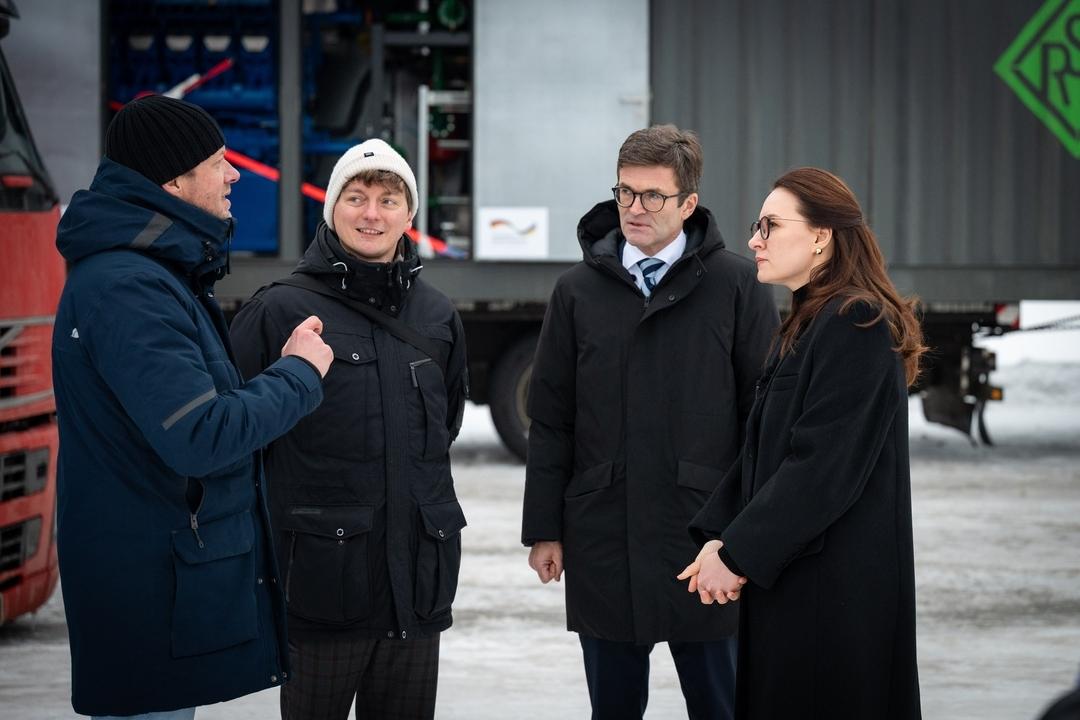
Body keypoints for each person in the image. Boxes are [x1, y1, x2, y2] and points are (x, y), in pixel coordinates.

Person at [52, 95, 334, 719]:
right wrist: (299, 374)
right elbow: (200, 434)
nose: (234, 174)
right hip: (144, 594)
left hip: (150, 586)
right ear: (174, 180)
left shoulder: (148, 273)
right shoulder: (131, 286)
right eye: (218, 161)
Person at [521, 124, 779, 719]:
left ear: (688, 204)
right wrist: (545, 528)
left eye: (653, 196)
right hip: (604, 536)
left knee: (721, 708)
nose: (635, 209)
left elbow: (760, 417)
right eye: (625, 193)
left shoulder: (738, 286)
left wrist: (748, 537)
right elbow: (552, 419)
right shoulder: (576, 292)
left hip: (706, 542)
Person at [229, 138, 469, 720]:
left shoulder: (437, 316)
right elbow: (236, 432)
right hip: (321, 590)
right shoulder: (279, 309)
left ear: (409, 215)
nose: (371, 213)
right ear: (331, 208)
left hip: (416, 588)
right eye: (356, 197)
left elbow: (446, 426)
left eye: (389, 200)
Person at [678, 167, 926, 719]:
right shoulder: (811, 321)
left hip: (834, 604)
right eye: (755, 225)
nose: (753, 240)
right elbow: (765, 451)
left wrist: (739, 553)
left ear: (821, 236)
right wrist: (719, 537)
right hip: (799, 583)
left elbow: (821, 468)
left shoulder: (856, 320)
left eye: (770, 225)